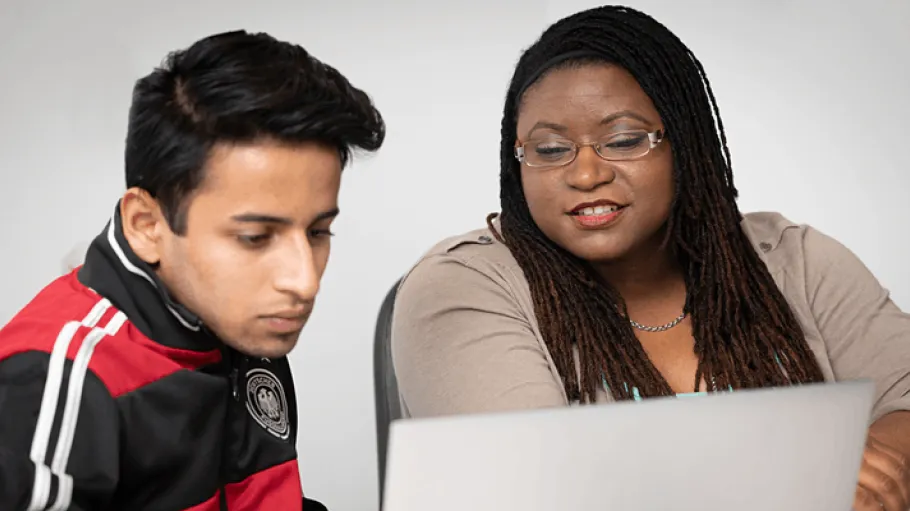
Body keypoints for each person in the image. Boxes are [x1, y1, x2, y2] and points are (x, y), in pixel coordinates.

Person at [390, 6, 910, 511]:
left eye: (623, 140)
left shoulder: (790, 259)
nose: (587, 174)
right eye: (549, 150)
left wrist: (877, 465)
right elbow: (537, 490)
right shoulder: (460, 288)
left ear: (684, 143)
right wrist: (808, 477)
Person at [0, 30, 383, 510]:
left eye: (317, 232)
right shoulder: (56, 379)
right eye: (255, 238)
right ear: (146, 225)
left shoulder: (237, 321)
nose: (303, 281)